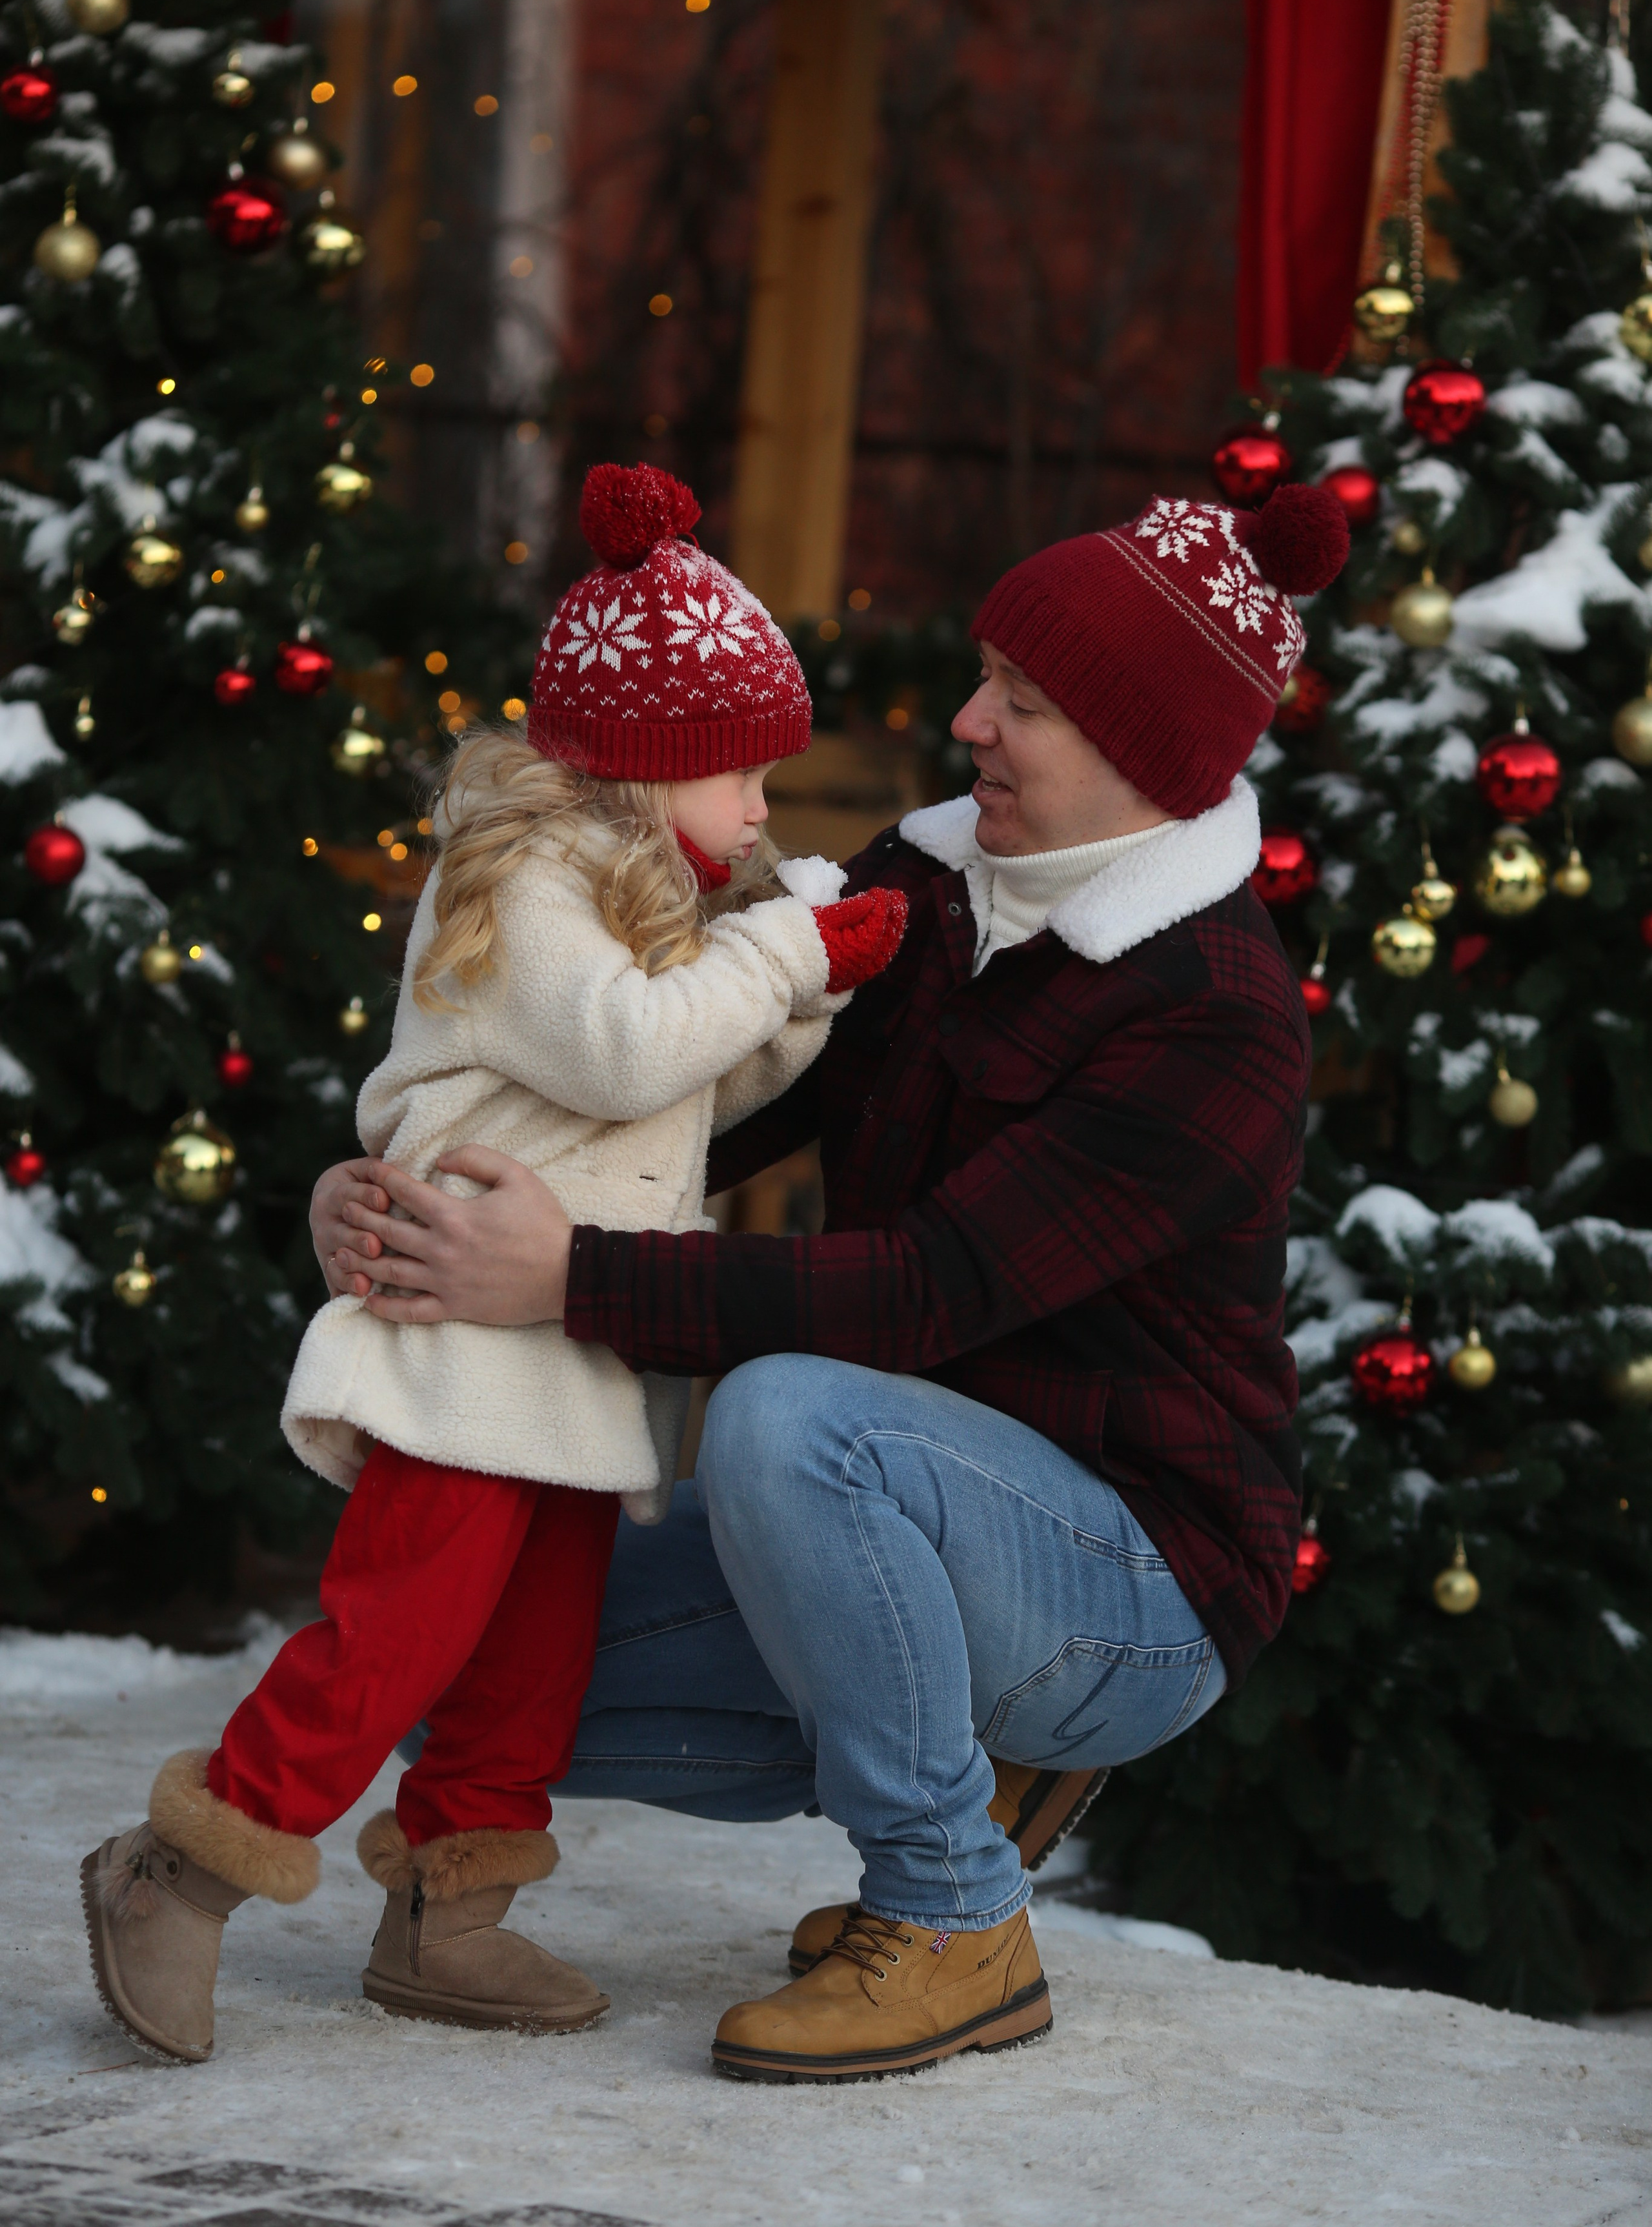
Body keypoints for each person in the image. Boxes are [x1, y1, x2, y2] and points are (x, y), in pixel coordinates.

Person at [316, 480, 1351, 2084]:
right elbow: (666, 1099)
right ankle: (949, 1764)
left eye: (1023, 702)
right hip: (881, 1527)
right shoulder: (928, 893)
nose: (966, 725)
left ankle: (947, 1908)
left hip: (1132, 1575)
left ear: (1146, 754)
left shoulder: (1211, 1008)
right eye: (986, 681)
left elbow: (927, 1295)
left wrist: (568, 1281)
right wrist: (414, 1201)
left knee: (789, 1418)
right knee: (447, 1660)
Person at [78, 463, 907, 2066]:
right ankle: (176, 1874)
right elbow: (619, 1052)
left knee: (524, 1673)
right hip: (465, 1348)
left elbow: (682, 1090)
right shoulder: (526, 884)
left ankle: (447, 1915)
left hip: (568, 1366)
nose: (759, 818)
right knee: (395, 1636)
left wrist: (798, 1007)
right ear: (651, 772)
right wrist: (786, 947)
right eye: (743, 782)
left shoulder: (639, 909)